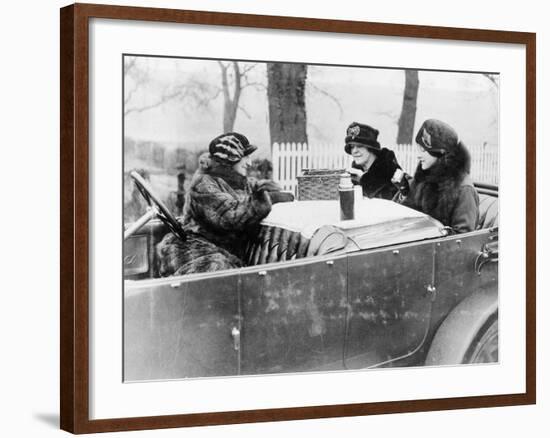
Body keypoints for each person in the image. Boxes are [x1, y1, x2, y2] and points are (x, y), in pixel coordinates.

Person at [157, 132, 287, 276]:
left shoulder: (240, 181)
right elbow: (229, 217)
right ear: (230, 159)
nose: (249, 163)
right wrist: (262, 199)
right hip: (196, 251)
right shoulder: (203, 183)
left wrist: (275, 193)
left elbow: (263, 190)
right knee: (220, 275)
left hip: (220, 252)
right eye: (246, 157)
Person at [392, 119, 479, 233]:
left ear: (439, 152)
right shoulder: (425, 179)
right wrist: (404, 192)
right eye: (419, 149)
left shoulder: (464, 190)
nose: (418, 156)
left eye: (424, 150)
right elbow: (407, 218)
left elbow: (462, 239)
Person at [344, 121, 401, 199]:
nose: (354, 151)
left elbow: (391, 204)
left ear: (371, 148)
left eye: (359, 146)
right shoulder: (355, 173)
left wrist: (364, 179)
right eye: (352, 147)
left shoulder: (389, 171)